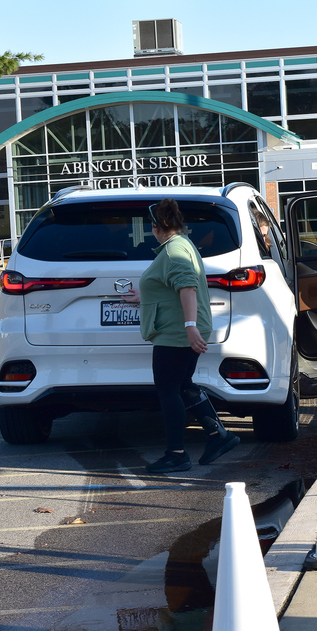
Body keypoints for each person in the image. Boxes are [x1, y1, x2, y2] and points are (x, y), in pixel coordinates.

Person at [121, 198, 240, 474]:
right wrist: (142, 296)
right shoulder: (180, 244)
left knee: (168, 390)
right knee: (182, 384)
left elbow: (187, 287)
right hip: (178, 329)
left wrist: (189, 326)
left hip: (175, 333)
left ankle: (176, 454)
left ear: (155, 226)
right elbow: (172, 287)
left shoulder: (174, 251)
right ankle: (218, 435)